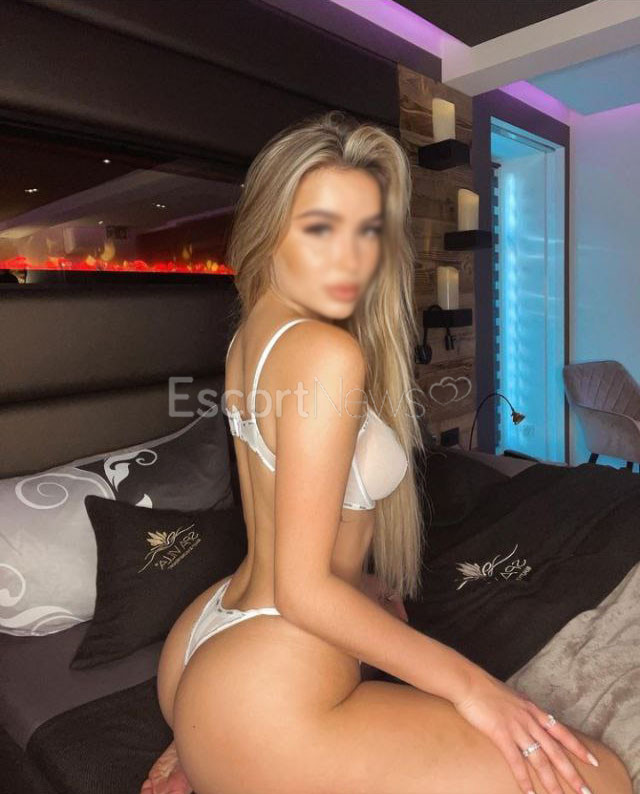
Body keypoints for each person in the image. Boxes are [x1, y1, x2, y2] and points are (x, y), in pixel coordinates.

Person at [141, 110, 632, 794]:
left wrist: (361, 589)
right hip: (266, 683)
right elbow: (303, 590)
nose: (351, 259)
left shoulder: (251, 334)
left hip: (210, 639)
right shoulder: (323, 352)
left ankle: (218, 746)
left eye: (368, 230)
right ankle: (226, 748)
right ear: (269, 226)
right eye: (320, 228)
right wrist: (479, 691)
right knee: (598, 780)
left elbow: (289, 532)